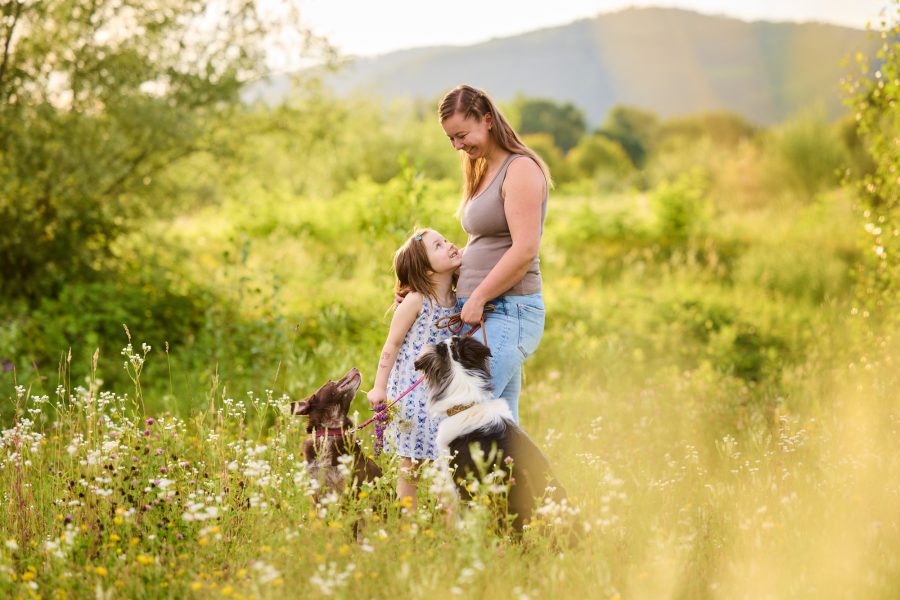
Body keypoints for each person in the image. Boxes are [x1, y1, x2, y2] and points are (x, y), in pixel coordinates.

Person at [438, 84, 551, 424]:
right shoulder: (483, 170)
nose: (458, 145)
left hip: (505, 310)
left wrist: (479, 297)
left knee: (465, 416)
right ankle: (534, 481)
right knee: (504, 431)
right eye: (451, 140)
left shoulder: (520, 169)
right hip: (480, 312)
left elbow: (524, 250)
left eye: (462, 135)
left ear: (487, 120)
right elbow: (481, 248)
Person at [367, 228, 462, 511]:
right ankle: (408, 521)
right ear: (427, 270)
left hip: (443, 394)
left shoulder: (459, 300)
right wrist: (379, 387)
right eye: (438, 246)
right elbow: (392, 345)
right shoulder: (416, 301)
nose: (449, 245)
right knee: (411, 462)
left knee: (447, 460)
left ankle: (448, 524)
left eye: (446, 240)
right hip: (412, 396)